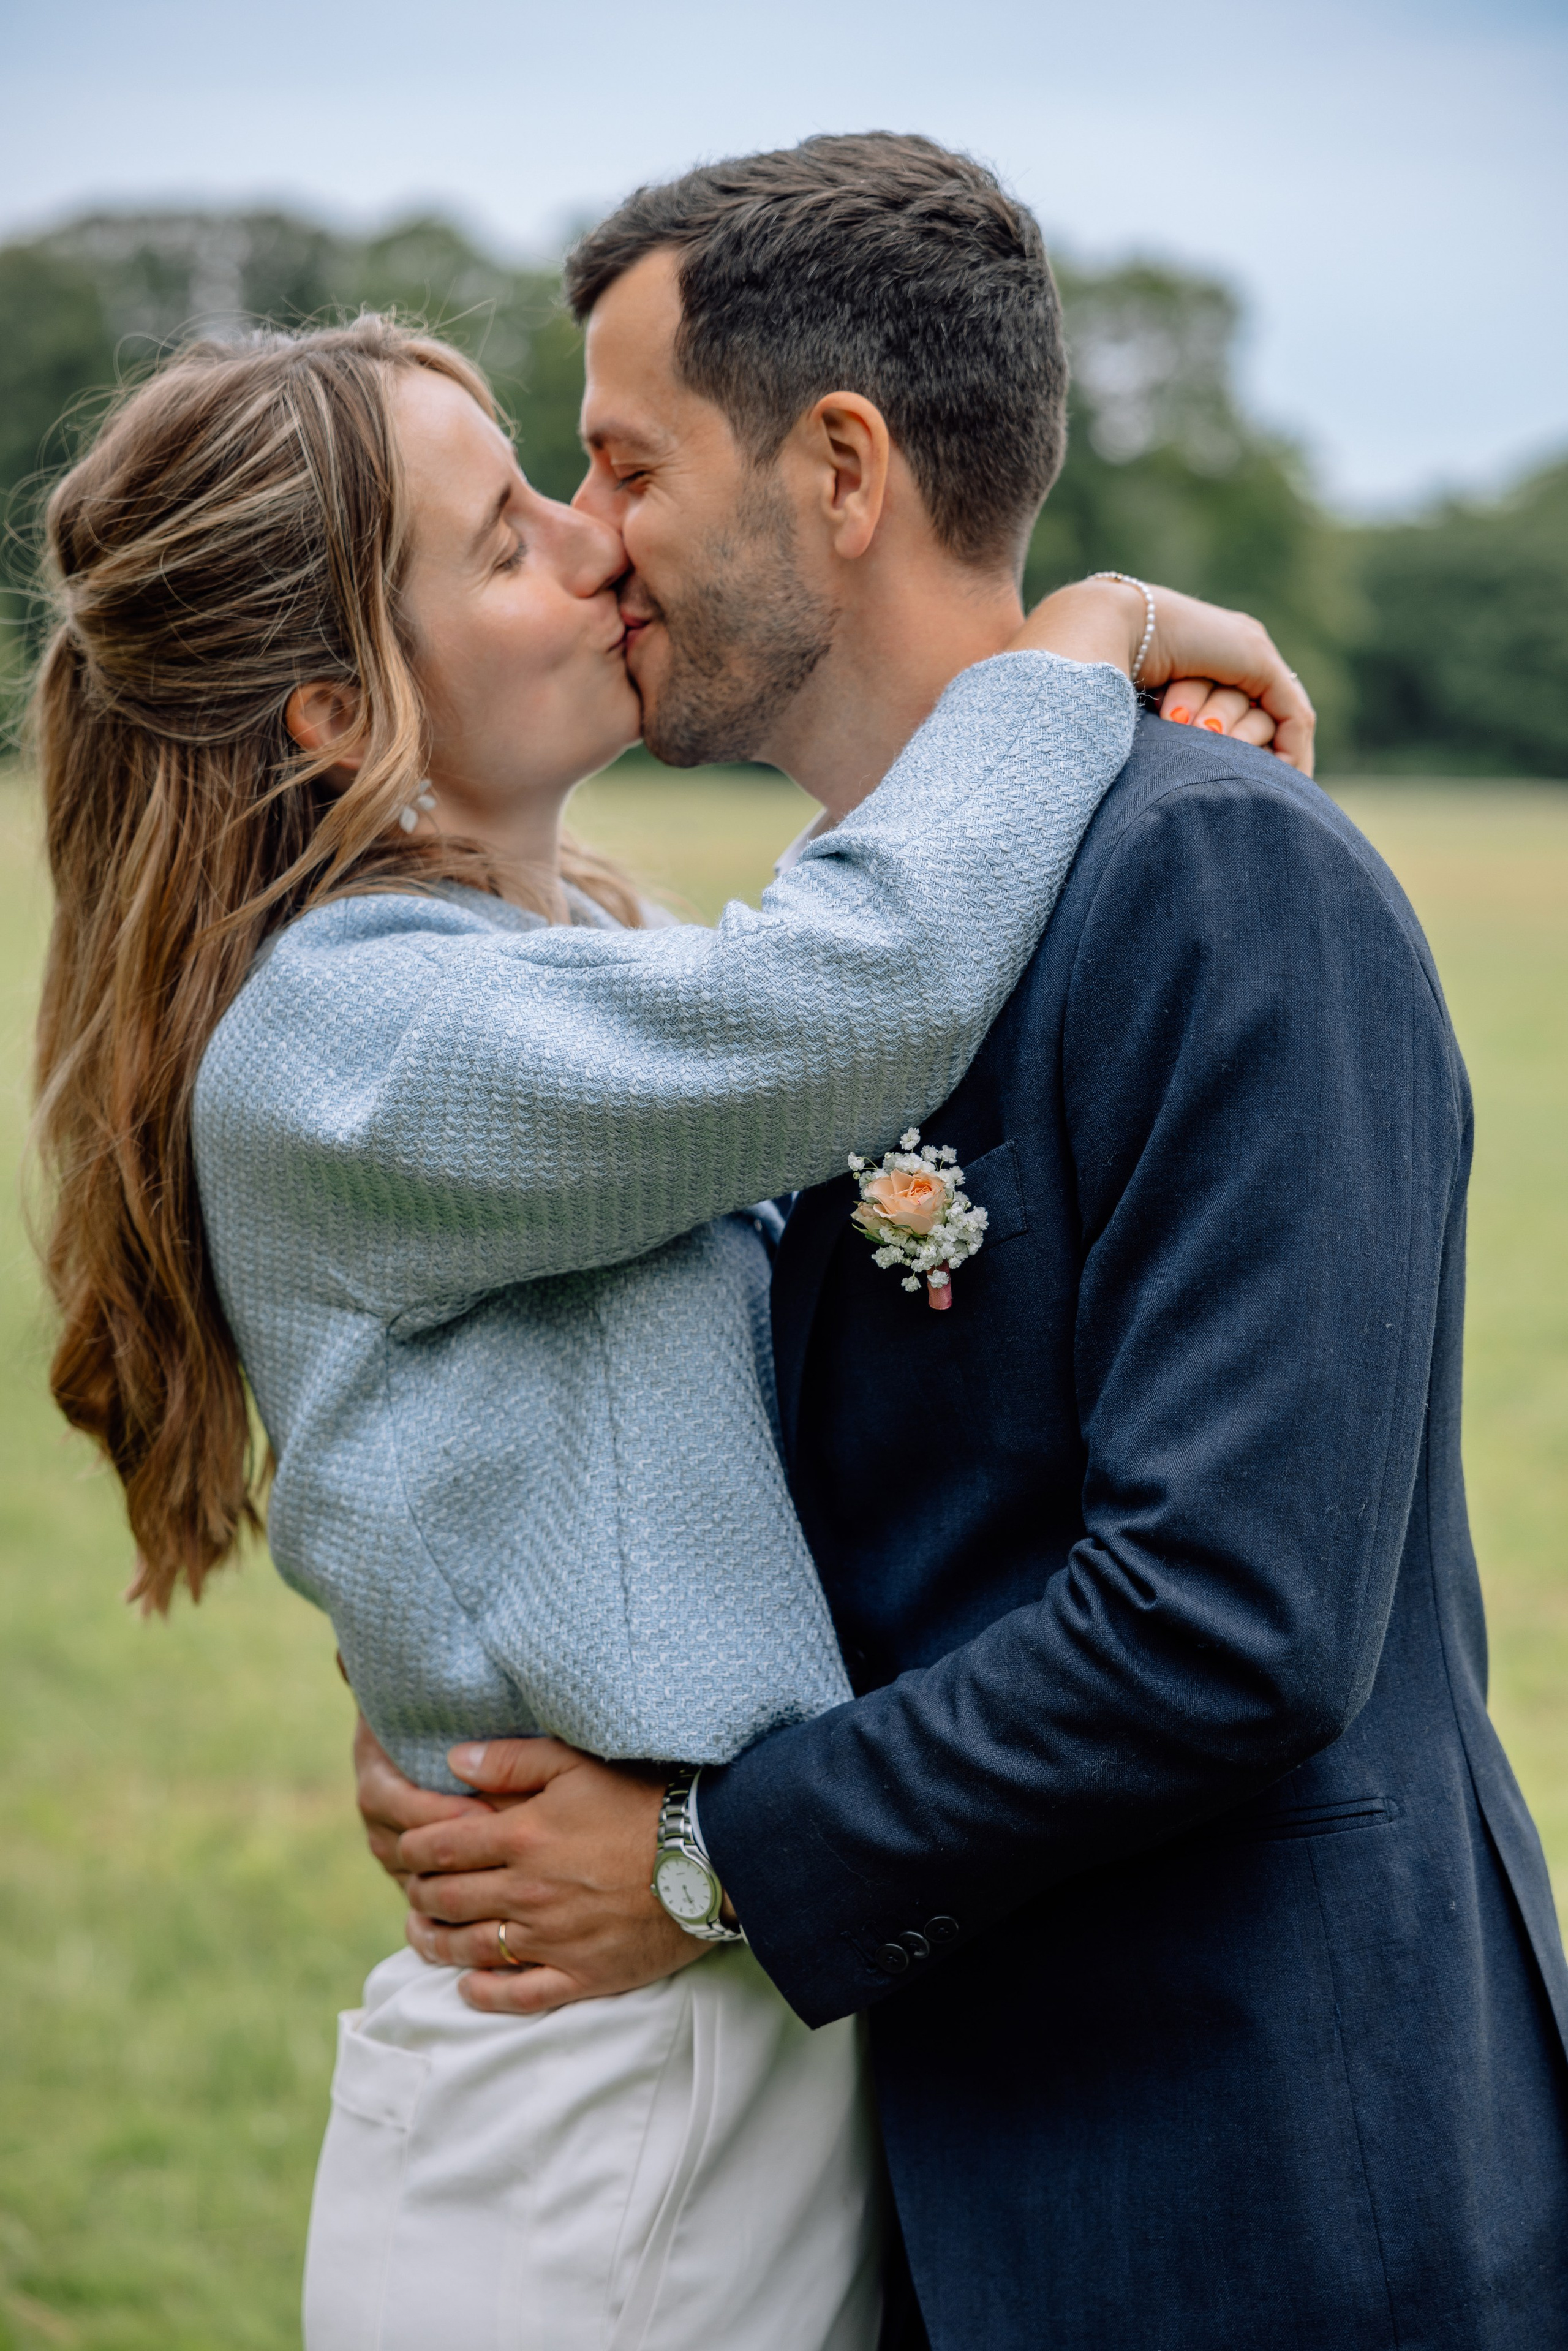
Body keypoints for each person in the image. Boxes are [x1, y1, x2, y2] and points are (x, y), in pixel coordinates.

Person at [364, 135, 1568, 2350]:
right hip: (941, 2181)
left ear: (840, 469)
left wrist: (711, 1861)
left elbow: (1229, 1619)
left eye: (626, 464)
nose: (589, 537)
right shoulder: (829, 975)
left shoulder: (1220, 880)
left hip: (1266, 2195)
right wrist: (472, 1718)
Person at [29, 261, 1305, 2351]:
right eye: (505, 533)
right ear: (339, 713)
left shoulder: (566, 949)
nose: (594, 533)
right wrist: (1082, 647)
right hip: (593, 2134)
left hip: (731, 2031)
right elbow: (854, 995)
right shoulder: (361, 1043)